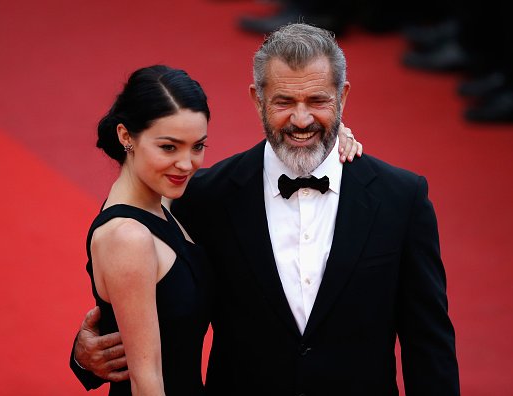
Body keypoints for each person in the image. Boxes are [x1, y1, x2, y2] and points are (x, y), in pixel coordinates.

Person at [72, 23, 459, 395]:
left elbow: (428, 342)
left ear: (342, 97)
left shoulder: (401, 198)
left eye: (319, 101)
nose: (302, 119)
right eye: (285, 102)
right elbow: (146, 291)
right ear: (258, 99)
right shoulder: (204, 197)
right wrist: (84, 356)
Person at [81, 65, 213, 395]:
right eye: (169, 147)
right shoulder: (128, 237)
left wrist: (329, 139)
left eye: (197, 146)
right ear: (126, 137)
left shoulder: (161, 202)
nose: (186, 164)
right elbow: (147, 380)